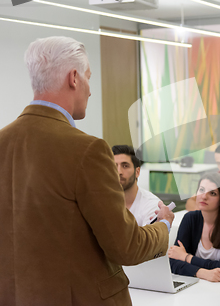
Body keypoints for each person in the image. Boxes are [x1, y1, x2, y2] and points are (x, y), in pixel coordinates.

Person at [0, 36, 174, 306]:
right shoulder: (86, 149)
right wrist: (163, 226)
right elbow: (126, 246)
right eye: (89, 78)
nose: (90, 90)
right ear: (74, 78)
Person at [169, 172, 220, 282]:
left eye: (213, 193)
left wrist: (187, 257)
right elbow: (173, 261)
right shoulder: (190, 218)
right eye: (201, 190)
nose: (204, 196)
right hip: (199, 284)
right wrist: (202, 273)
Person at [112, 145, 163, 226]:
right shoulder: (102, 201)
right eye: (114, 166)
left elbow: (147, 238)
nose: (119, 172)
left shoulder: (152, 205)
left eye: (125, 166)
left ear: (137, 172)